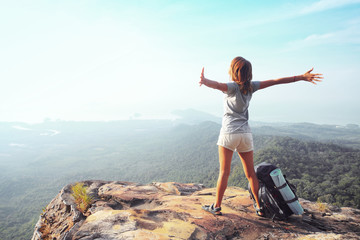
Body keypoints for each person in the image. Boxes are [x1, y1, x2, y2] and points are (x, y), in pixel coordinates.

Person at [199, 56, 323, 216]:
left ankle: (216, 206)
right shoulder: (251, 87)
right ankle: (259, 207)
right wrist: (301, 77)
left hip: (229, 133)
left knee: (224, 172)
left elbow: (216, 85)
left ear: (233, 71)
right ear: (249, 73)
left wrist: (205, 80)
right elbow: (275, 81)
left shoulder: (231, 87)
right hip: (245, 134)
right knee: (251, 174)